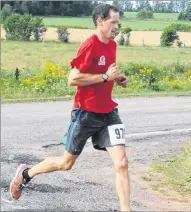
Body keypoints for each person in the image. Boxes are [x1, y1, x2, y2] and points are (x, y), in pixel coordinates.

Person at [10, 4, 131, 211]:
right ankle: (26, 174)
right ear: (100, 21)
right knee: (66, 163)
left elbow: (105, 72)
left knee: (122, 163)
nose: (116, 27)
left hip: (109, 113)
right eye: (113, 22)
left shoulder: (111, 45)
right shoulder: (90, 45)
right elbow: (73, 79)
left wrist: (116, 79)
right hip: (86, 113)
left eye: (118, 23)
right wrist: (104, 77)